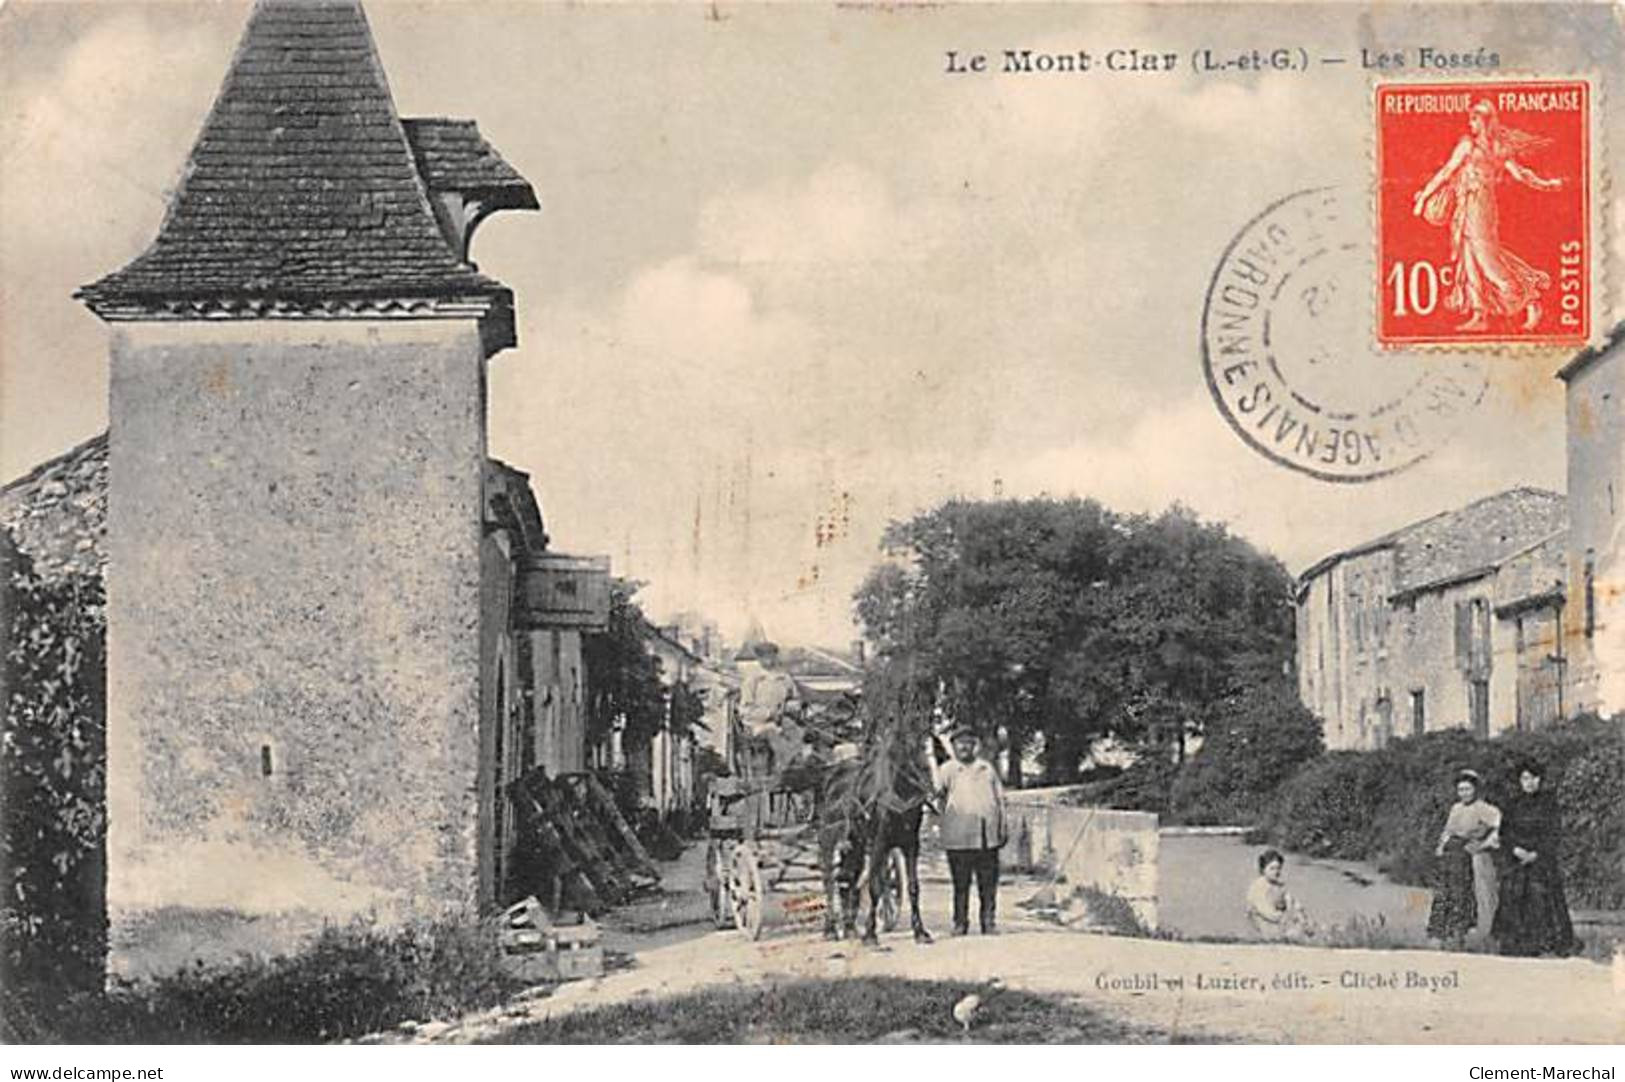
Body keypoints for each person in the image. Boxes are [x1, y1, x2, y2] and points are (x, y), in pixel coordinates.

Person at [1411, 98, 1565, 332]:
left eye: (1474, 120)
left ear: (1484, 122)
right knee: (1469, 256)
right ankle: (1479, 314)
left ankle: (1529, 298)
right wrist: (1424, 197)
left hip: (1481, 207)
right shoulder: (1470, 145)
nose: (1470, 124)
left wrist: (1546, 185)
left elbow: (1520, 174)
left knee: (1487, 257)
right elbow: (1446, 172)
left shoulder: (1495, 148)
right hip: (1467, 205)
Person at [1492, 759, 1577, 957]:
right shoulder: (1513, 804)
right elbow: (1505, 833)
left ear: (1539, 780)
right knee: (1513, 896)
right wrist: (1515, 850)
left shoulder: (1549, 803)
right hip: (1516, 859)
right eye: (1525, 778)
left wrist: (1537, 854)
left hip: (1541, 860)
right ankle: (1515, 944)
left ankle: (1545, 944)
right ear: (1520, 781)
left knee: (1540, 895)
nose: (1529, 782)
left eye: (1533, 778)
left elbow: (1554, 833)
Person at [930, 725, 1006, 936]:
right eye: (960, 743)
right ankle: (960, 923)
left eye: (969, 743)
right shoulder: (947, 770)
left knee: (988, 882)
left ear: (975, 746)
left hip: (986, 836)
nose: (965, 747)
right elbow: (936, 799)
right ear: (953, 746)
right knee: (961, 883)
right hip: (958, 837)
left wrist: (1003, 825)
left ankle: (988, 922)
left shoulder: (986, 768)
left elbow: (1000, 799)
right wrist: (936, 827)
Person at [1427, 769, 1501, 949]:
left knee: (1461, 893)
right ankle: (1440, 932)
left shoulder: (1483, 808)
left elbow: (1500, 823)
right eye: (1461, 790)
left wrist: (1484, 842)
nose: (1464, 793)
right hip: (1450, 852)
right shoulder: (1456, 808)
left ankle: (1459, 931)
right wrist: (1440, 847)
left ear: (1475, 789)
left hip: (1465, 852)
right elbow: (1448, 831)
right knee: (1443, 891)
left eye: (1468, 789)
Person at [1246, 848, 1310, 942]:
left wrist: (1300, 916)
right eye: (1272, 868)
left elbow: (1292, 902)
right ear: (1263, 869)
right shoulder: (1258, 887)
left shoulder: (1279, 886)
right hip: (1262, 923)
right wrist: (1284, 918)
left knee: (1301, 922)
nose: (1276, 872)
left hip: (1276, 921)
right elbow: (1265, 911)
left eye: (1278, 868)